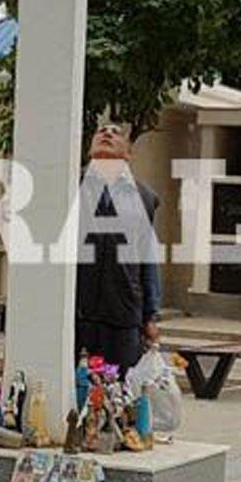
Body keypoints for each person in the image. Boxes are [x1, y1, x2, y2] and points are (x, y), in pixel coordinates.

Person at [75, 123, 163, 372]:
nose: (107, 134)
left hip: (123, 310)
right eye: (101, 130)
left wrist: (151, 315)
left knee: (120, 393)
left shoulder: (144, 196)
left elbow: (148, 256)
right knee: (69, 390)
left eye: (116, 133)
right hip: (75, 308)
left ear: (128, 153)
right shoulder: (71, 184)